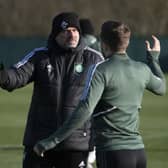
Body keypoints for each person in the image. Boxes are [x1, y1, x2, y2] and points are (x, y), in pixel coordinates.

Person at [33, 20, 166, 168]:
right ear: (127, 42)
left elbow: (85, 109)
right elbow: (161, 88)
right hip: (139, 153)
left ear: (103, 43)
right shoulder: (142, 69)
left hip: (113, 153)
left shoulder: (100, 70)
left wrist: (52, 141)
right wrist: (153, 59)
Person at [0, 12, 103, 168]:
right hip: (39, 142)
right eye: (66, 31)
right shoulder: (40, 56)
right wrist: (3, 76)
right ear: (55, 34)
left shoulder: (94, 59)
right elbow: (17, 75)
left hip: (75, 144)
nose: (72, 35)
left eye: (75, 30)